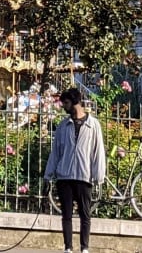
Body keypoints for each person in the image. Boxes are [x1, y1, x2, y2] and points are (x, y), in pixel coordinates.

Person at [43, 87, 106, 253]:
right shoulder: (63, 126)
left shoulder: (93, 125)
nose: (64, 107)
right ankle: (68, 248)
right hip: (65, 176)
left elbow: (98, 151)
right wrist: (47, 176)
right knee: (66, 215)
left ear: (75, 102)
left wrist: (99, 176)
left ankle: (84, 248)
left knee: (85, 214)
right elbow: (55, 152)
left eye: (66, 103)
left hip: (84, 176)